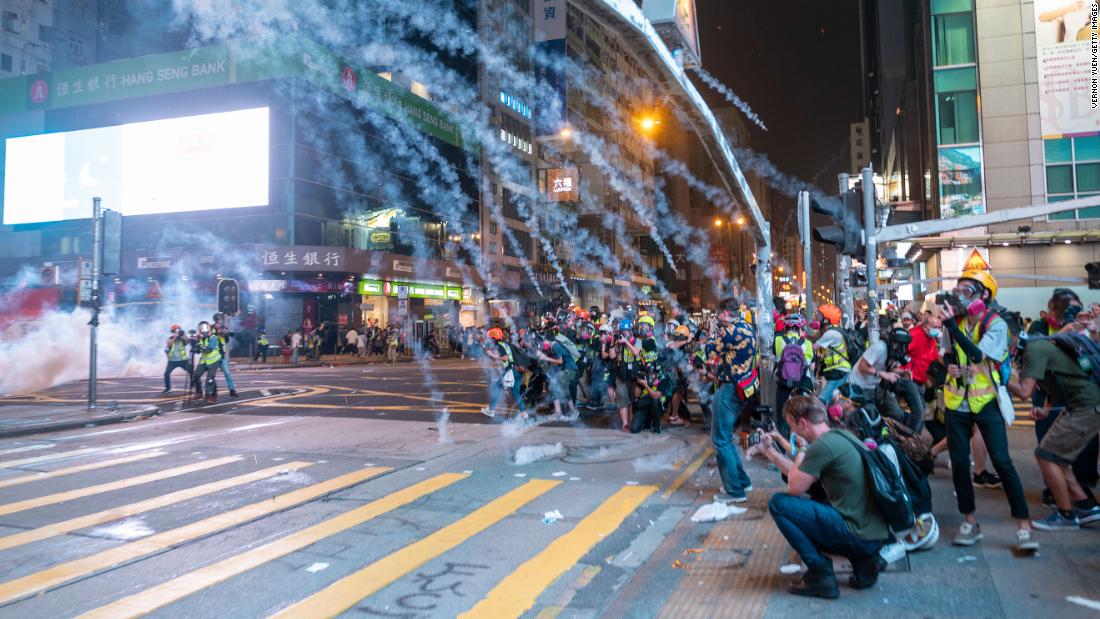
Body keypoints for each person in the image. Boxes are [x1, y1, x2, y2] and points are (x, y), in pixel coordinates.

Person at [937, 270, 1036, 551]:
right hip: (956, 401)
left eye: (966, 290)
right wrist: (949, 365)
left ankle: (1024, 527)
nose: (959, 295)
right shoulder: (953, 322)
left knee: (1003, 462)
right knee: (959, 463)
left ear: (983, 296)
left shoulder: (996, 325)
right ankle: (969, 522)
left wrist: (952, 329)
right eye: (958, 290)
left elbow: (978, 355)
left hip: (986, 402)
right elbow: (946, 352)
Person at [761, 396, 891, 599]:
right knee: (815, 501)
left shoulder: (822, 446)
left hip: (859, 534)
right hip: (874, 534)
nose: (792, 433)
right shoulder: (842, 436)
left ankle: (820, 574)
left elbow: (794, 487)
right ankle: (863, 563)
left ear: (803, 423)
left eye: (791, 426)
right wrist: (770, 452)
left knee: (779, 504)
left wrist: (803, 447)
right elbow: (802, 475)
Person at [1027, 288, 1100, 509]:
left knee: (1081, 448)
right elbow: (1036, 348)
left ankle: (1081, 494)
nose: (1074, 314)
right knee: (1049, 449)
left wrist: (1092, 336)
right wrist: (1063, 335)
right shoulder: (1040, 327)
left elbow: (1090, 364)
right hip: (1049, 393)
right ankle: (1056, 491)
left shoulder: (1086, 331)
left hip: (1081, 398)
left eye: (1077, 309)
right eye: (1068, 309)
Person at [704, 299, 757, 504]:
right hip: (743, 386)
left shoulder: (728, 332)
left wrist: (711, 332)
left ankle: (735, 491)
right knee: (726, 437)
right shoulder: (746, 326)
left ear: (725, 313)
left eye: (718, 314)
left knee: (720, 439)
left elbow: (710, 352)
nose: (717, 318)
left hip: (730, 389)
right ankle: (742, 481)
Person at [773, 313, 815, 438]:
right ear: (800, 328)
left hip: (784, 382)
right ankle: (802, 445)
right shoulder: (807, 343)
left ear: (785, 327)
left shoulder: (778, 340)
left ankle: (782, 447)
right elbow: (811, 365)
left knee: (782, 417)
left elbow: (774, 358)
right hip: (803, 383)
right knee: (803, 415)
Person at [481, 327, 529, 419]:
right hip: (518, 371)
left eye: (490, 337)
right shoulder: (506, 344)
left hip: (510, 372)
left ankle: (491, 410)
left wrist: (491, 354)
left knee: (497, 388)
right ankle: (524, 413)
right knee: (516, 393)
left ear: (493, 338)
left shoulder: (499, 345)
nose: (489, 339)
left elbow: (505, 357)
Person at [812, 304, 850, 405]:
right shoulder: (833, 331)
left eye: (820, 316)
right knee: (832, 401)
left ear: (826, 320)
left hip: (839, 370)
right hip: (839, 370)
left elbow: (813, 348)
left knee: (821, 400)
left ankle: (826, 420)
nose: (817, 318)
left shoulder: (830, 334)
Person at [192, 321, 222, 403]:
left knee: (210, 379)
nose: (203, 330)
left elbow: (209, 349)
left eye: (204, 328)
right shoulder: (200, 338)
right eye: (201, 328)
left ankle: (212, 395)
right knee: (196, 376)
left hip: (213, 361)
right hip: (204, 360)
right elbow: (198, 351)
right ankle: (199, 393)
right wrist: (194, 345)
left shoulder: (213, 338)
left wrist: (200, 346)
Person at [212, 313, 238, 397]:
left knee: (227, 373)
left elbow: (226, 341)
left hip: (221, 355)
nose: (221, 321)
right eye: (219, 319)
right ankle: (213, 392)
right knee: (211, 375)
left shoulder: (224, 328)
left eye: (221, 319)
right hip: (213, 356)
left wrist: (226, 334)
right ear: (216, 320)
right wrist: (217, 332)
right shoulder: (211, 328)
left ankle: (232, 390)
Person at [162, 324, 192, 394]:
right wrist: (176, 336)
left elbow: (188, 341)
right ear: (173, 331)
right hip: (172, 361)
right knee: (166, 373)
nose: (177, 331)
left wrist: (183, 334)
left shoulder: (183, 338)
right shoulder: (170, 338)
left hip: (183, 360)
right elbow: (169, 344)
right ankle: (168, 388)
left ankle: (193, 385)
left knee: (191, 372)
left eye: (178, 330)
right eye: (175, 330)